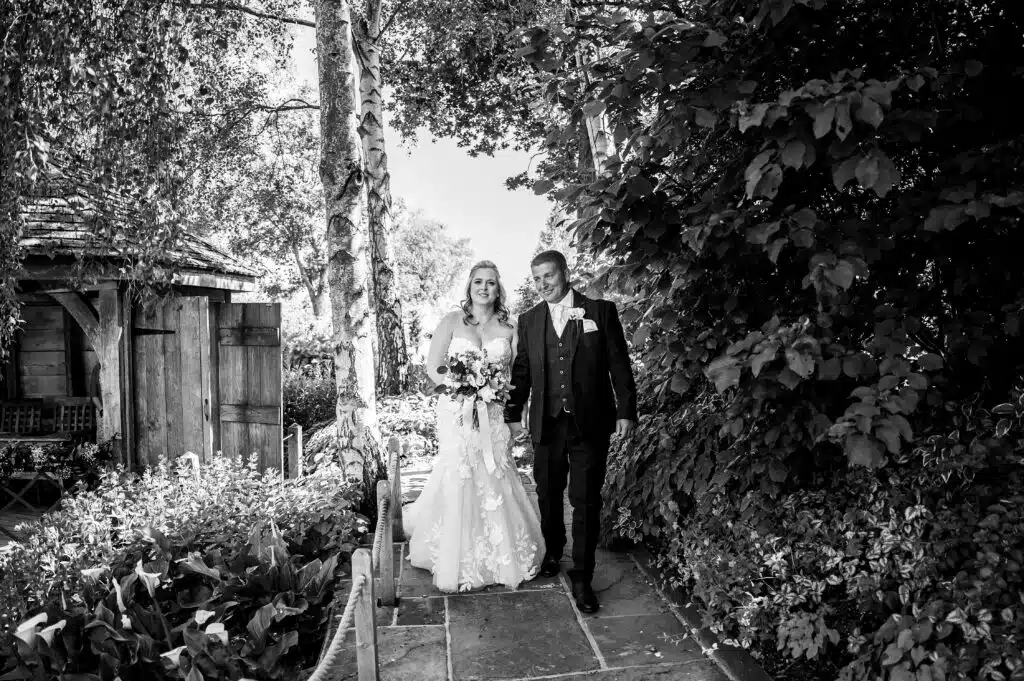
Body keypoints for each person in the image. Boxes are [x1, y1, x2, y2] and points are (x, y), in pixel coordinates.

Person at [505, 250, 637, 613]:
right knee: (547, 494)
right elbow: (522, 372)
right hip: (546, 425)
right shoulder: (529, 320)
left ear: (565, 273)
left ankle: (582, 576)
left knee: (585, 499)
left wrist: (626, 410)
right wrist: (512, 413)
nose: (543, 284)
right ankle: (553, 551)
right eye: (536, 278)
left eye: (549, 276)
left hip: (590, 423)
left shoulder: (600, 311)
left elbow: (618, 363)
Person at [405, 260, 545, 592]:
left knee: (494, 470)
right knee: (461, 470)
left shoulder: (511, 328)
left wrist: (498, 398)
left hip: (493, 412)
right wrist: (459, 385)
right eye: (478, 282)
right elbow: (433, 365)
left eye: (491, 283)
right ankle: (455, 551)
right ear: (469, 286)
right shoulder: (452, 320)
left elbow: (516, 375)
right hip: (456, 412)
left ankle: (501, 553)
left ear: (499, 289)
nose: (484, 288)